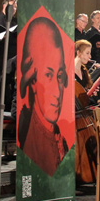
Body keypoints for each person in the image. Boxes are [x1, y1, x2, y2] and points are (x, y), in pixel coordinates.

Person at [18, 17, 69, 176]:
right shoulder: (32, 145)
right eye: (48, 75)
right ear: (32, 81)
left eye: (60, 76)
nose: (57, 92)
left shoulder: (60, 138)